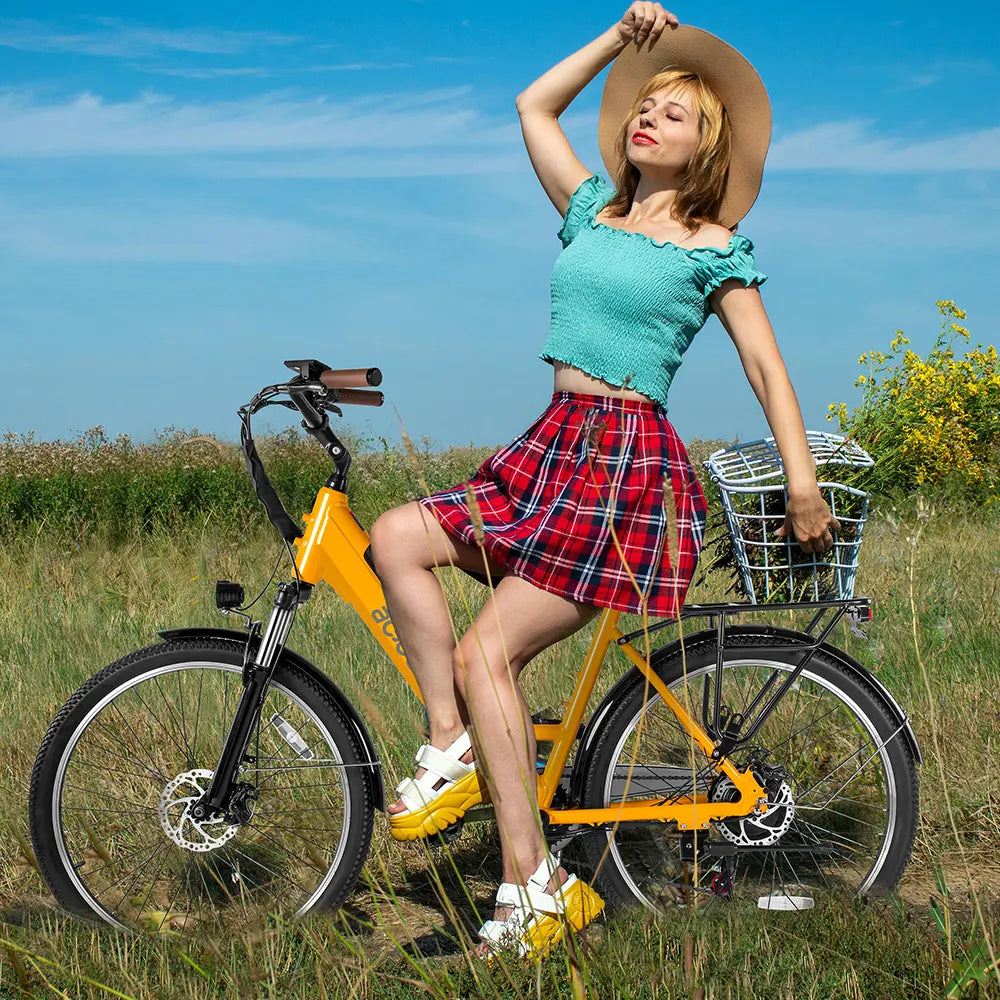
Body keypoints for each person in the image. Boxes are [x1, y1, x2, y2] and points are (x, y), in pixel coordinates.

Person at [368, 3, 841, 961]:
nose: (646, 118)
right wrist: (619, 44)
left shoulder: (714, 250)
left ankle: (531, 883)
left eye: (672, 113)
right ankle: (451, 743)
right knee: (394, 537)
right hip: (551, 446)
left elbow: (765, 367)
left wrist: (802, 481)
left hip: (624, 466)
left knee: (485, 653)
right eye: (644, 107)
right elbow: (532, 105)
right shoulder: (591, 210)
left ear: (706, 148)